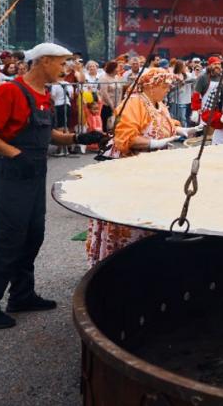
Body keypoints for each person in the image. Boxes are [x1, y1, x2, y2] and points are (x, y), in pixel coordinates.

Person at [0, 43, 108, 329]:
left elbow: (48, 134)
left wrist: (77, 139)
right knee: (7, 240)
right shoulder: (10, 91)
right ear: (43, 61)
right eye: (61, 63)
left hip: (34, 174)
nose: (65, 69)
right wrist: (15, 154)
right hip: (12, 175)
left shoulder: (43, 95)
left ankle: (21, 295)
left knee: (33, 235)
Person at [86, 67, 201, 267]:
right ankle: (122, 259)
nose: (167, 89)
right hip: (131, 167)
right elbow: (125, 137)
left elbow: (166, 124)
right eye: (164, 86)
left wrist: (186, 130)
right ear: (151, 86)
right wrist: (153, 144)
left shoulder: (157, 103)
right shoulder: (134, 102)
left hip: (153, 168)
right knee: (130, 213)